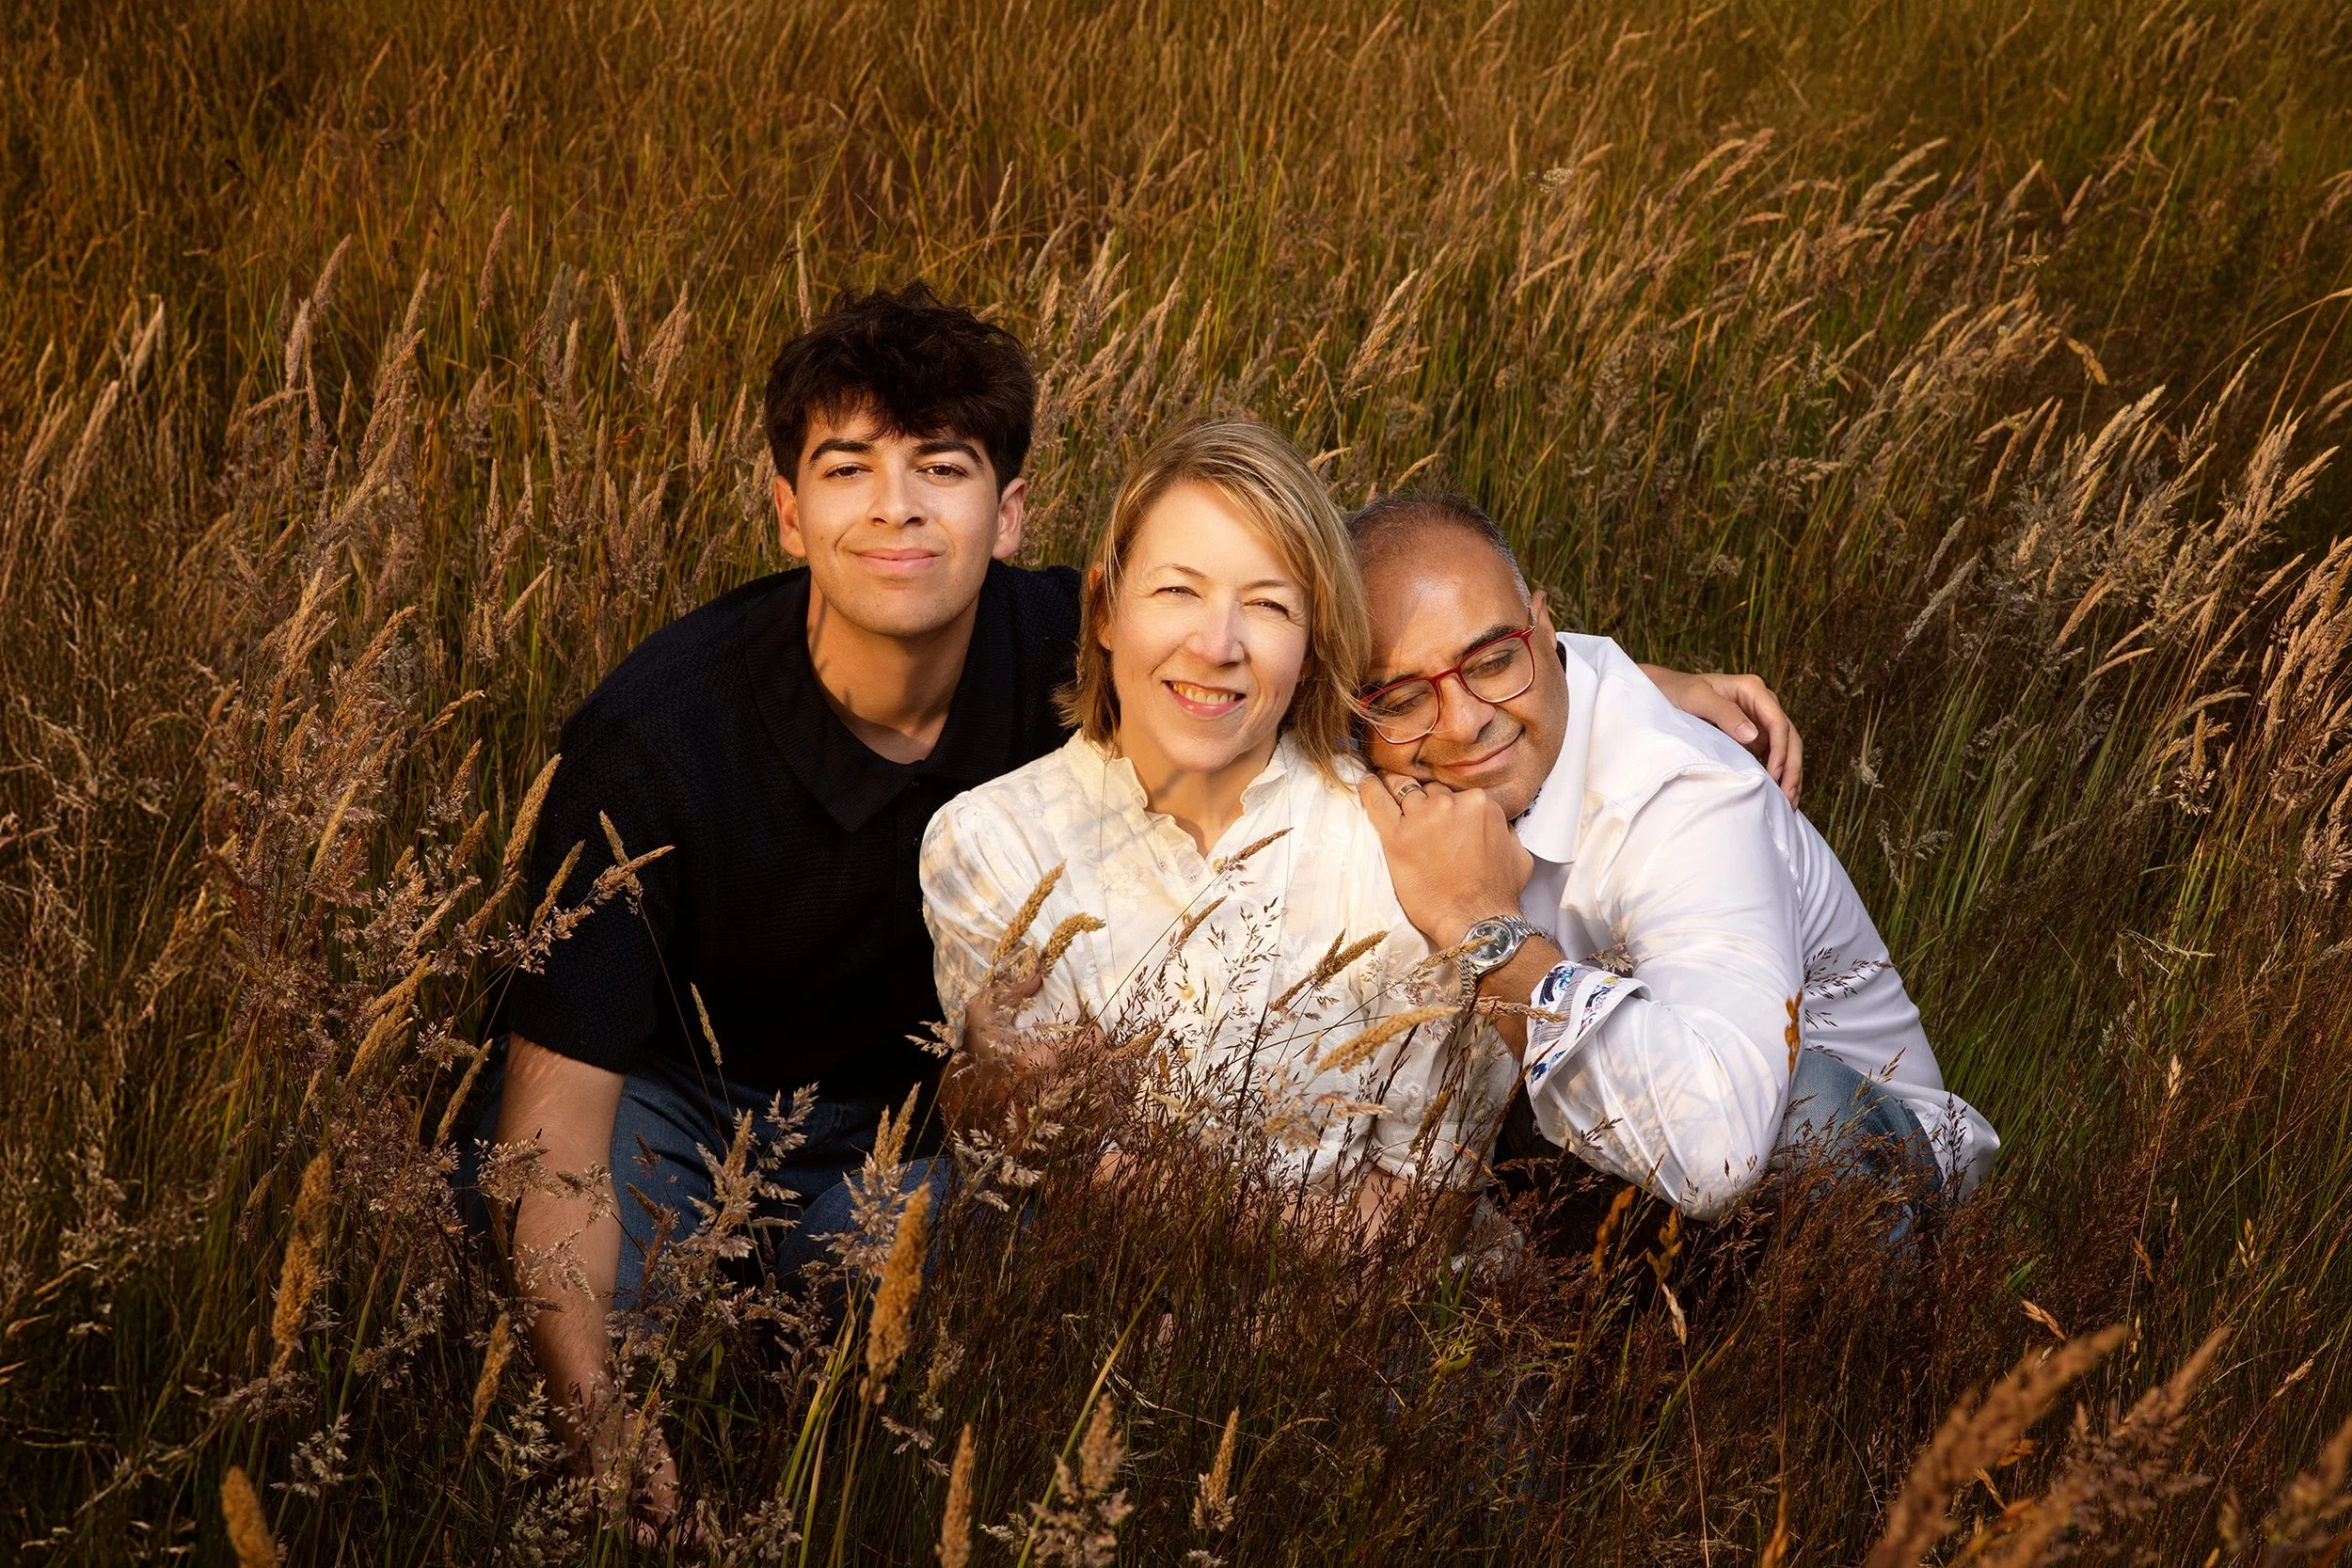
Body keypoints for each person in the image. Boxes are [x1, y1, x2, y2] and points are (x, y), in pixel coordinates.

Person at [471, 284, 1800, 1527]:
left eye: (942, 467)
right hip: (684, 1089)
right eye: (848, 471)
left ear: (1012, 517)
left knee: (943, 1319)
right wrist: (592, 1410)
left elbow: (1333, 637)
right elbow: (555, 1129)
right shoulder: (660, 743)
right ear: (784, 512)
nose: (899, 514)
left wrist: (1619, 685)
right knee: (607, 1345)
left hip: (899, 1126)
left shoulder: (1103, 635)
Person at [1345, 493, 1998, 1224]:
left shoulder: (1691, 794)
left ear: (1543, 628)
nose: (1465, 722)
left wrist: (1480, 926)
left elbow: (1720, 1150)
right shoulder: (1396, 745)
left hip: (1852, 1163)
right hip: (1620, 1160)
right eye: (1402, 699)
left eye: (1494, 661)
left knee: (1813, 1116)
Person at [919, 420, 1501, 1221]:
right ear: (1105, 611)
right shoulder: (991, 841)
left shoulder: (1399, 849)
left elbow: (1420, 1209)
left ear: (1313, 645)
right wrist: (987, 1089)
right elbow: (1044, 1165)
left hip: (1353, 1318)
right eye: (1176, 590)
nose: (1217, 643)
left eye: (1266, 605)